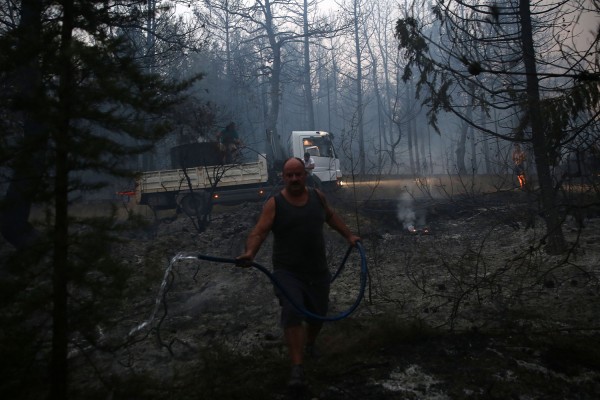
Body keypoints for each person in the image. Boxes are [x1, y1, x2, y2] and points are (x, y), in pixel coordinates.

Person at [236, 157, 360, 390]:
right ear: (283, 178)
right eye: (289, 175)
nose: (294, 179)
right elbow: (259, 231)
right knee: (292, 311)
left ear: (305, 175)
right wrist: (250, 253)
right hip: (287, 272)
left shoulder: (317, 197)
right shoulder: (275, 204)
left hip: (317, 270)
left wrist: (349, 236)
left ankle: (310, 344)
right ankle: (297, 368)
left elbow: (331, 216)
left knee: (317, 314)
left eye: (298, 174)